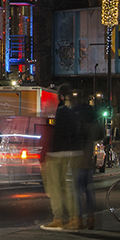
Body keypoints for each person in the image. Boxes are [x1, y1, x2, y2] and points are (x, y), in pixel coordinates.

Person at [40, 84, 82, 231]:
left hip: (56, 153)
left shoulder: (60, 111)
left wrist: (46, 154)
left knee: (55, 188)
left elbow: (53, 134)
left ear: (60, 96)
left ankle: (58, 219)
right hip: (69, 153)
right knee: (67, 188)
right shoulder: (73, 112)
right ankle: (74, 219)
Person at [72, 97, 101, 229]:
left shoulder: (76, 120)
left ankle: (78, 219)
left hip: (77, 162)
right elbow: (101, 135)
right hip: (88, 162)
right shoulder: (93, 123)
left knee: (77, 191)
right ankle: (91, 219)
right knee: (89, 191)